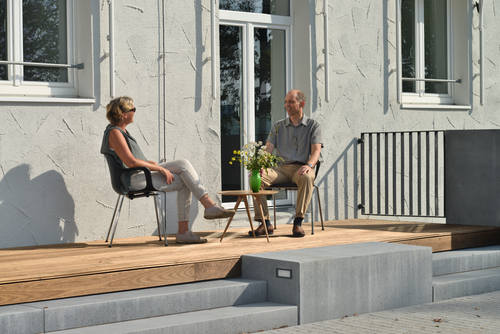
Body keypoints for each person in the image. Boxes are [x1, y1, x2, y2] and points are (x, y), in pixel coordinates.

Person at [101, 96, 235, 244]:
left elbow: (135, 160)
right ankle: (199, 216)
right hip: (132, 179)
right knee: (184, 177)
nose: (135, 112)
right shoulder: (115, 133)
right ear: (124, 114)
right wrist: (159, 168)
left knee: (183, 166)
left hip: (138, 174)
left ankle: (201, 214)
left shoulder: (121, 131)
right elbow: (131, 162)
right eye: (133, 109)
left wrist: (152, 164)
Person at [251, 89, 322, 237]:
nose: (286, 105)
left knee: (308, 178)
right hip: (280, 169)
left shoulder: (313, 125)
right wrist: (260, 166)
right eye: (285, 101)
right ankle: (265, 223)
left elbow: (316, 151)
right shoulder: (277, 126)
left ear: (301, 104)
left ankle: (298, 223)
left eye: (291, 101)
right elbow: (268, 149)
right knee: (256, 179)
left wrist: (309, 166)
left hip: (301, 168)